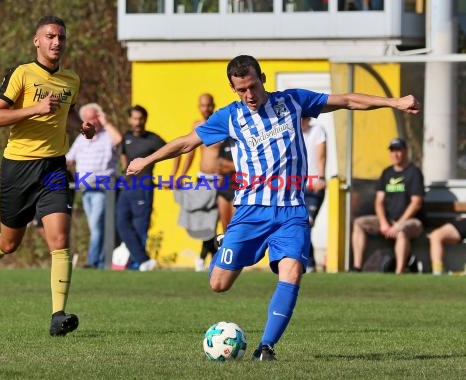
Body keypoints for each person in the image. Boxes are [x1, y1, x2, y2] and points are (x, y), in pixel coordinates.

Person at [126, 55, 420, 360]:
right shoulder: (230, 117)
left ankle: (266, 347)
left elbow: (347, 100)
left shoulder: (293, 101)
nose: (249, 95)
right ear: (233, 89)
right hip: (250, 212)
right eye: (241, 90)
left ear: (262, 78)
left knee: (292, 272)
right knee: (218, 284)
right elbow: (187, 142)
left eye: (252, 86)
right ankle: (225, 242)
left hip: (291, 211)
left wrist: (395, 103)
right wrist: (147, 161)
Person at [0, 16, 95, 337]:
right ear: (37, 41)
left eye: (61, 37)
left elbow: (67, 112)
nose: (56, 42)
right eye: (50, 36)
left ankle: (57, 315)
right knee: (9, 243)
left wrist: (81, 126)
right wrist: (33, 109)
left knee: (61, 240)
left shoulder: (70, 79)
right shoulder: (21, 73)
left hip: (53, 168)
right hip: (19, 168)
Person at [351, 138, 425, 274]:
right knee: (359, 223)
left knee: (402, 231)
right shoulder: (387, 173)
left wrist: (399, 224)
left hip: (410, 222)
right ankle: (357, 268)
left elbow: (416, 203)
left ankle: (399, 272)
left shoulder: (414, 172)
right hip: (388, 221)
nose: (395, 154)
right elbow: (379, 201)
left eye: (398, 151)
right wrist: (384, 223)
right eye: (392, 151)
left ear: (405, 152)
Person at [67, 103, 122, 269]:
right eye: (89, 119)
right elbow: (69, 159)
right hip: (85, 189)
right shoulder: (81, 139)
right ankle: (101, 260)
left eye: (95, 118)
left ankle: (92, 261)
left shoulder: (107, 136)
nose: (93, 122)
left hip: (103, 189)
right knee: (95, 226)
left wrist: (105, 122)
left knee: (96, 225)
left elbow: (119, 140)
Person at [170, 93, 220, 272]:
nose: (206, 108)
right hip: (201, 179)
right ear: (199, 107)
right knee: (204, 220)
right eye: (202, 105)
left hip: (218, 180)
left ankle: (203, 258)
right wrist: (181, 175)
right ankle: (209, 257)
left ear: (213, 105)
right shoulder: (197, 125)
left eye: (208, 105)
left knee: (214, 220)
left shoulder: (221, 123)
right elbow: (189, 152)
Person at [117, 105, 165, 271]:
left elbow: (172, 152)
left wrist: (173, 175)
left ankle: (137, 263)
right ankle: (143, 260)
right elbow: (123, 152)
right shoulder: (126, 136)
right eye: (134, 118)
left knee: (140, 227)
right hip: (127, 186)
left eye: (140, 118)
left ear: (145, 119)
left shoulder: (152, 139)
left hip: (143, 187)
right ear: (130, 120)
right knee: (121, 223)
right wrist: (125, 169)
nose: (137, 122)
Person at [301, 117, 327, 272]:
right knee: (298, 224)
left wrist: (321, 177)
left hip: (314, 186)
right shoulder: (293, 132)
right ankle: (306, 262)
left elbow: (321, 156)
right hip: (296, 186)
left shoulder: (318, 130)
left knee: (306, 222)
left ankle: (309, 262)